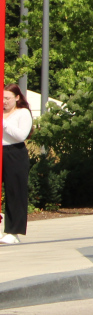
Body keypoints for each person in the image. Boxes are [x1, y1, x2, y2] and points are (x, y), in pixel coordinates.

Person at [2, 84, 33, 245]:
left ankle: (13, 231)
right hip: (1, 152)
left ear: (17, 97)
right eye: (2, 98)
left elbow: (21, 135)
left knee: (15, 191)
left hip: (14, 153)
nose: (4, 102)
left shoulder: (23, 113)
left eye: (7, 98)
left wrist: (4, 123)